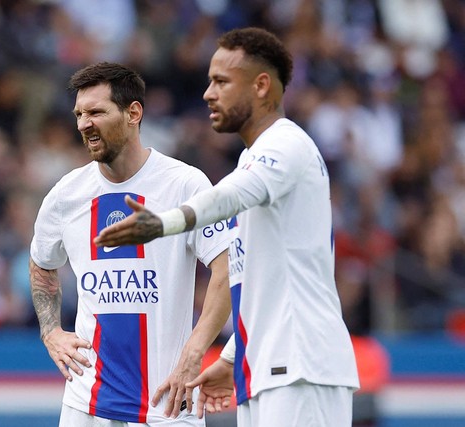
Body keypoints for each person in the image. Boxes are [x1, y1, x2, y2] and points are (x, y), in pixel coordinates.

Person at [95, 27, 360, 426]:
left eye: (221, 81)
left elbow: (229, 196)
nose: (207, 93)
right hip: (268, 368)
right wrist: (235, 356)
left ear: (261, 85)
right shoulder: (255, 159)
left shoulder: (285, 145)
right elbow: (262, 282)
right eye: (207, 82)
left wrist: (165, 222)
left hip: (303, 366)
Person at [29, 62, 233, 426]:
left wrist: (194, 352)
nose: (82, 124)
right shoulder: (67, 195)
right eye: (78, 114)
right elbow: (41, 261)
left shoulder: (185, 184)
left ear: (133, 113)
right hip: (87, 403)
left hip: (170, 402)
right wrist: (51, 331)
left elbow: (226, 268)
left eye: (95, 112)